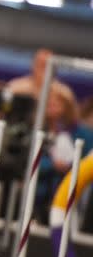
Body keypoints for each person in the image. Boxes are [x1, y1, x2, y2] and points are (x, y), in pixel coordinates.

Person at [35, 83, 93, 222]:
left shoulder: (83, 133)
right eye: (48, 102)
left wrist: (71, 166)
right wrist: (52, 165)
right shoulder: (39, 129)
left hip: (72, 196)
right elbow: (30, 161)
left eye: (56, 102)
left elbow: (88, 162)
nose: (51, 105)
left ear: (67, 105)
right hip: (40, 194)